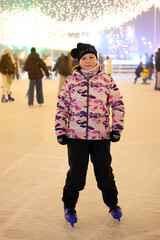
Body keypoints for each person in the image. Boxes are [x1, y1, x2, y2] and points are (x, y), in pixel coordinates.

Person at [55, 43, 125, 227]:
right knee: (76, 175)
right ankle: (69, 206)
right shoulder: (71, 81)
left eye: (91, 57)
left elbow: (117, 105)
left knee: (105, 174)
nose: (87, 61)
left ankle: (112, 203)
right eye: (84, 58)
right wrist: (60, 130)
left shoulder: (107, 80)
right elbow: (62, 106)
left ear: (96, 58)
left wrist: (116, 128)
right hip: (76, 137)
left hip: (101, 136)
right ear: (79, 61)